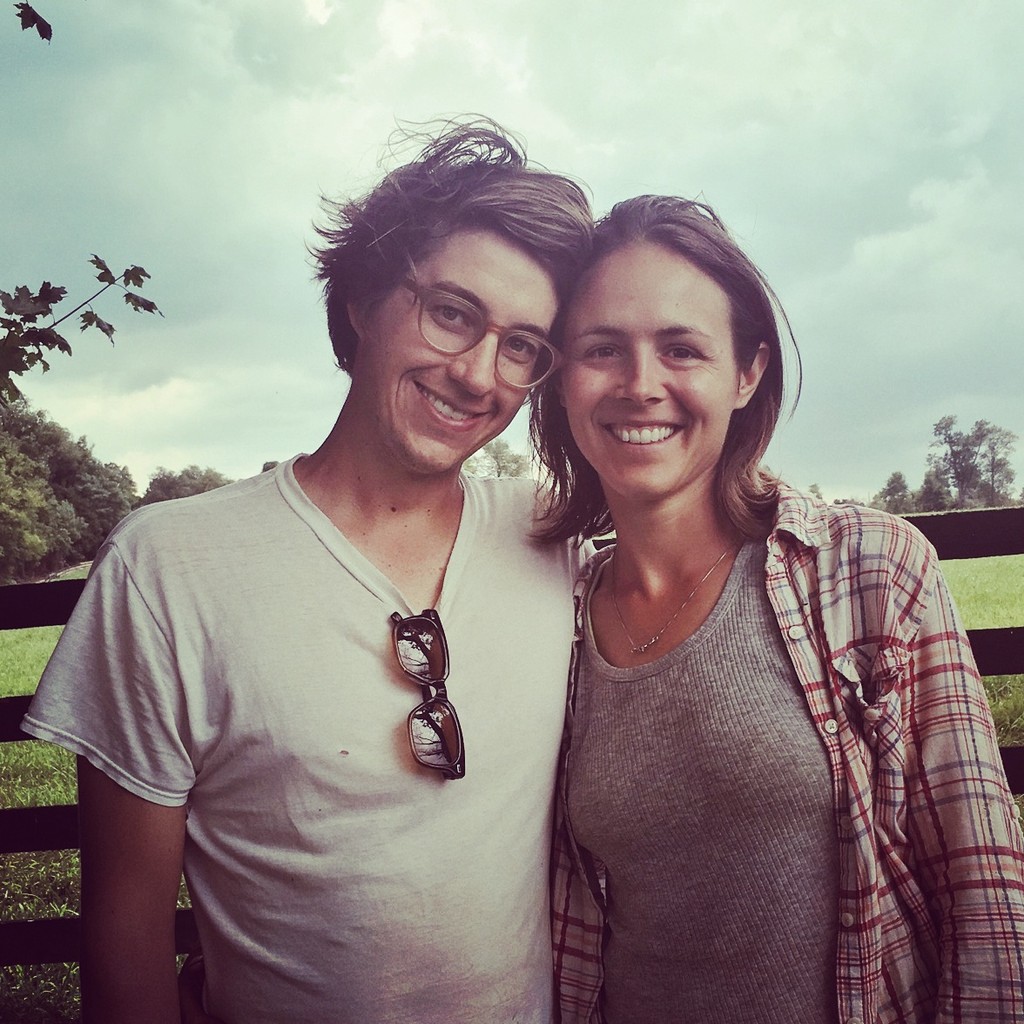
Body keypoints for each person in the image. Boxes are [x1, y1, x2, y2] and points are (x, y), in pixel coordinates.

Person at [22, 119, 593, 1024]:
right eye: (453, 313)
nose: (479, 375)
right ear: (363, 298)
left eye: (522, 345)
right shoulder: (170, 567)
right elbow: (125, 934)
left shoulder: (553, 536)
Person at [531, 194, 1024, 1023]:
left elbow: (985, 895)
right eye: (602, 349)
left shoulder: (870, 568)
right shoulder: (552, 614)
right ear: (560, 377)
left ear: (747, 373)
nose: (640, 385)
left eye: (682, 349)